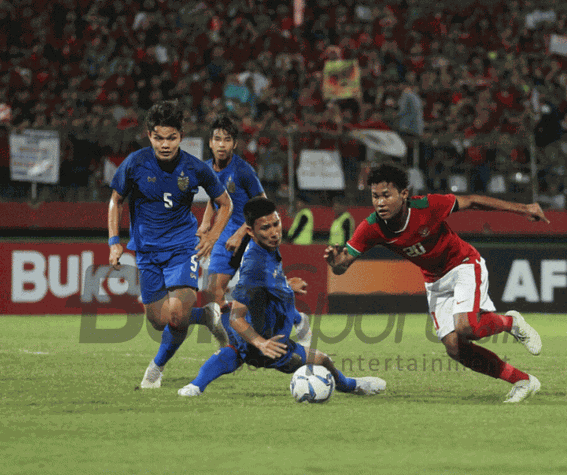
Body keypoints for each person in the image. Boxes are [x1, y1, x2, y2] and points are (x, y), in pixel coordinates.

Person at [324, 163, 549, 403]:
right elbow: (341, 266)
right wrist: (335, 262)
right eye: (375, 196)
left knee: (467, 327)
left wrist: (523, 208)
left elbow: (472, 201)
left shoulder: (427, 206)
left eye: (386, 196)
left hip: (462, 264)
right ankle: (522, 381)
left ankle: (510, 322)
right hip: (434, 281)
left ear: (404, 194)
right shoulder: (371, 228)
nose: (380, 203)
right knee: (454, 348)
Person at [178, 197, 386, 397]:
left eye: (276, 224)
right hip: (263, 339)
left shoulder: (268, 251)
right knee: (237, 352)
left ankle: (350, 384)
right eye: (265, 228)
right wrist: (261, 343)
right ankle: (195, 384)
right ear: (250, 231)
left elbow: (267, 284)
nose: (275, 232)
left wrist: (286, 285)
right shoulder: (254, 265)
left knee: (322, 359)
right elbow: (236, 317)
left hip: (273, 333)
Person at [108, 100, 234, 389]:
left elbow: (225, 203)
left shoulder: (194, 167)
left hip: (182, 248)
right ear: (149, 135)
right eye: (159, 138)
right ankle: (207, 316)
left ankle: (156, 367)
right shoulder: (136, 163)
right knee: (159, 321)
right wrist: (114, 242)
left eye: (172, 137)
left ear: (181, 135)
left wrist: (212, 237)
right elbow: (115, 200)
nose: (165, 144)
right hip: (147, 251)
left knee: (177, 315)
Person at [198, 114, 312, 345]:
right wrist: (205, 225)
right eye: (217, 139)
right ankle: (232, 344)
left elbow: (263, 204)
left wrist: (243, 231)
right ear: (210, 142)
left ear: (235, 144)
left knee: (265, 291)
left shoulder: (243, 170)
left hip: (251, 235)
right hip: (224, 234)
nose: (222, 144)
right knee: (214, 290)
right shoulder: (206, 169)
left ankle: (298, 319)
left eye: (227, 140)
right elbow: (214, 199)